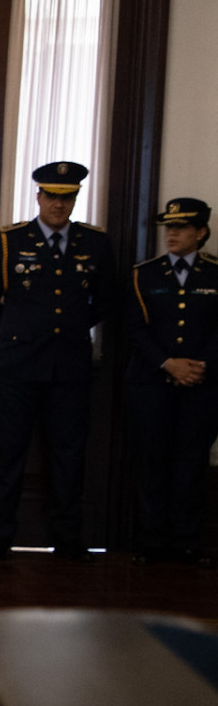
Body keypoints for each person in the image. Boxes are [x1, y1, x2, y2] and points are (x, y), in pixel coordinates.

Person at [0, 160, 114, 561]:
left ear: (75, 199)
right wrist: (20, 329)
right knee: (9, 453)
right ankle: (0, 538)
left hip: (69, 366)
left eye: (67, 198)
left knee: (69, 455)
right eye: (52, 196)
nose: (59, 205)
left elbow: (105, 300)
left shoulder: (95, 243)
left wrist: (68, 328)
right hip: (18, 365)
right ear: (38, 197)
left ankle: (67, 539)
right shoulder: (9, 240)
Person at [125, 197, 218, 567]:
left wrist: (199, 367)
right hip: (151, 385)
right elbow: (135, 329)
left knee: (191, 464)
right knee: (151, 462)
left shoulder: (215, 274)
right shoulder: (143, 274)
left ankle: (186, 542)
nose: (172, 234)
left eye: (181, 227)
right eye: (169, 227)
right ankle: (150, 542)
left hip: (202, 385)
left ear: (201, 232)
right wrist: (168, 364)